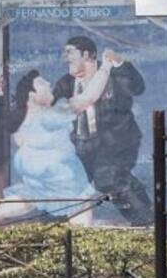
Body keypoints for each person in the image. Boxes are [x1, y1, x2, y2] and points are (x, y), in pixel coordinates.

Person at [0, 65, 116, 227]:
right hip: (57, 168)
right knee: (80, 200)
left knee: (31, 195)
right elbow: (89, 97)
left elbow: (20, 140)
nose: (49, 84)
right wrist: (105, 67)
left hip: (29, 164)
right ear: (32, 95)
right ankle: (82, 234)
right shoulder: (51, 114)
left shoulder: (23, 117)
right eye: (43, 83)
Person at [52, 35, 152, 226]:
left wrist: (120, 62)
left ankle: (147, 221)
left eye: (70, 53)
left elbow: (138, 87)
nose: (66, 58)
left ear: (87, 55)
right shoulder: (66, 83)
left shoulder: (112, 76)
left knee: (109, 178)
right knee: (67, 182)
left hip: (115, 141)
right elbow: (52, 107)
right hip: (81, 144)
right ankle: (56, 230)